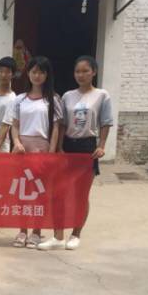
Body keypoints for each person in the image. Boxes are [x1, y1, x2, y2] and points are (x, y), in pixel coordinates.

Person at [2, 56, 64, 249]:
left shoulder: (53, 99)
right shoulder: (20, 99)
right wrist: (17, 142)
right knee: (22, 192)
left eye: (41, 72)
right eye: (34, 71)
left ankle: (36, 232)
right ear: (28, 73)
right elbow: (14, 125)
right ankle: (22, 230)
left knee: (39, 192)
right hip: (22, 149)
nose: (37, 76)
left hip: (42, 148)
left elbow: (56, 128)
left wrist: (51, 152)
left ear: (47, 75)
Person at [58, 56, 113, 250]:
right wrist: (59, 146)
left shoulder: (102, 95)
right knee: (62, 191)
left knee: (80, 193)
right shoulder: (67, 96)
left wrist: (102, 145)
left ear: (94, 72)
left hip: (87, 147)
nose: (80, 75)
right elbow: (62, 124)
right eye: (77, 71)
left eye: (85, 71)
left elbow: (106, 122)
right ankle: (58, 234)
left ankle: (76, 233)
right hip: (68, 146)